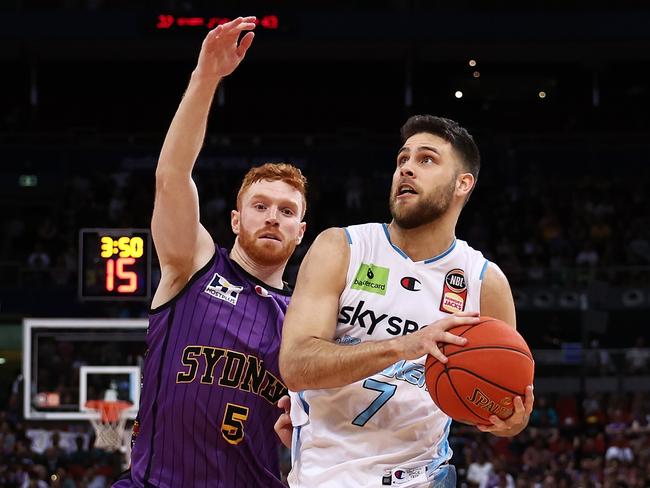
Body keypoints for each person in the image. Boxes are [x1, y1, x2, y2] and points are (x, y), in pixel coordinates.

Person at [278, 115, 534, 487]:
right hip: (325, 475)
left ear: (463, 183)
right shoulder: (342, 247)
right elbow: (296, 366)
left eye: (426, 159)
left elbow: (499, 398)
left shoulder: (485, 282)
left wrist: (510, 421)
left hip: (422, 476)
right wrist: (404, 345)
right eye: (403, 160)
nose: (407, 169)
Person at [113, 17, 307, 488]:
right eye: (259, 206)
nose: (272, 217)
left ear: (301, 232)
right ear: (236, 221)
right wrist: (205, 79)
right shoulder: (194, 265)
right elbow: (172, 177)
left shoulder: (306, 319)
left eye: (286, 210)